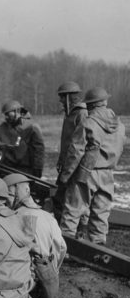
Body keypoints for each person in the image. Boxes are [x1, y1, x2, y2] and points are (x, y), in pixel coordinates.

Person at [59, 87, 126, 245]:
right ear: (105, 102)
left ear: (90, 105)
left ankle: (64, 247)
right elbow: (121, 147)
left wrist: (65, 176)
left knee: (72, 210)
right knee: (101, 212)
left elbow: (76, 151)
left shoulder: (88, 123)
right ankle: (98, 246)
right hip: (108, 173)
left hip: (86, 173)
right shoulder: (119, 125)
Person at [3, 173, 67, 298]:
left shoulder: (14, 218)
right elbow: (61, 248)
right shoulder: (48, 217)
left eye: (7, 196)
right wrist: (51, 270)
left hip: (24, 289)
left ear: (13, 194)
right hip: (48, 283)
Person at [53, 81, 89, 227]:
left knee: (73, 205)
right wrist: (61, 162)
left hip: (77, 169)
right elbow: (67, 143)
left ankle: (75, 238)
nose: (61, 100)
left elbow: (78, 147)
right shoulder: (70, 114)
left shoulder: (82, 113)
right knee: (60, 201)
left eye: (62, 97)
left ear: (70, 97)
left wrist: (66, 174)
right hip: (68, 166)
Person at [0, 100, 45, 178]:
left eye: (8, 114)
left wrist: (37, 171)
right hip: (7, 168)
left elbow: (39, 152)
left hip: (25, 169)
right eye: (5, 114)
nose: (6, 117)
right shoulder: (2, 128)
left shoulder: (32, 128)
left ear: (17, 112)